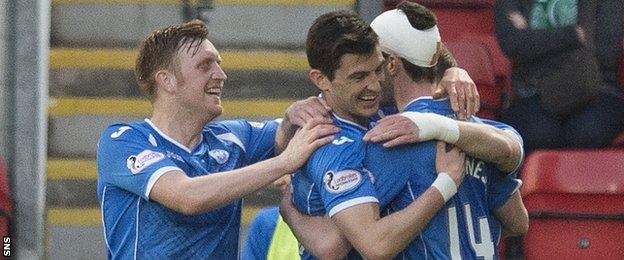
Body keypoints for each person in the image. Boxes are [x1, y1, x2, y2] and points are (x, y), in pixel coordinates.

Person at [282, 5, 527, 259]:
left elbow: (339, 243)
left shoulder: (386, 142)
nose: (373, 84)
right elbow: (517, 222)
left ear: (391, 65)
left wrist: (288, 211)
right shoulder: (482, 133)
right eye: (360, 74)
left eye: (375, 68)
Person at [96, 20, 339, 259]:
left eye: (218, 64)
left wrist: (291, 118)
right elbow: (187, 197)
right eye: (205, 66)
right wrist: (284, 163)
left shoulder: (232, 139)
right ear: (166, 80)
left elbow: (296, 133)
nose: (221, 75)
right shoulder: (124, 141)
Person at [494, 0, 624, 152]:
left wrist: (533, 39)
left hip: (595, 87)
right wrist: (573, 34)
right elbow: (513, 43)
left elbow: (605, 54)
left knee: (585, 133)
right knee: (539, 135)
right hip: (532, 90)